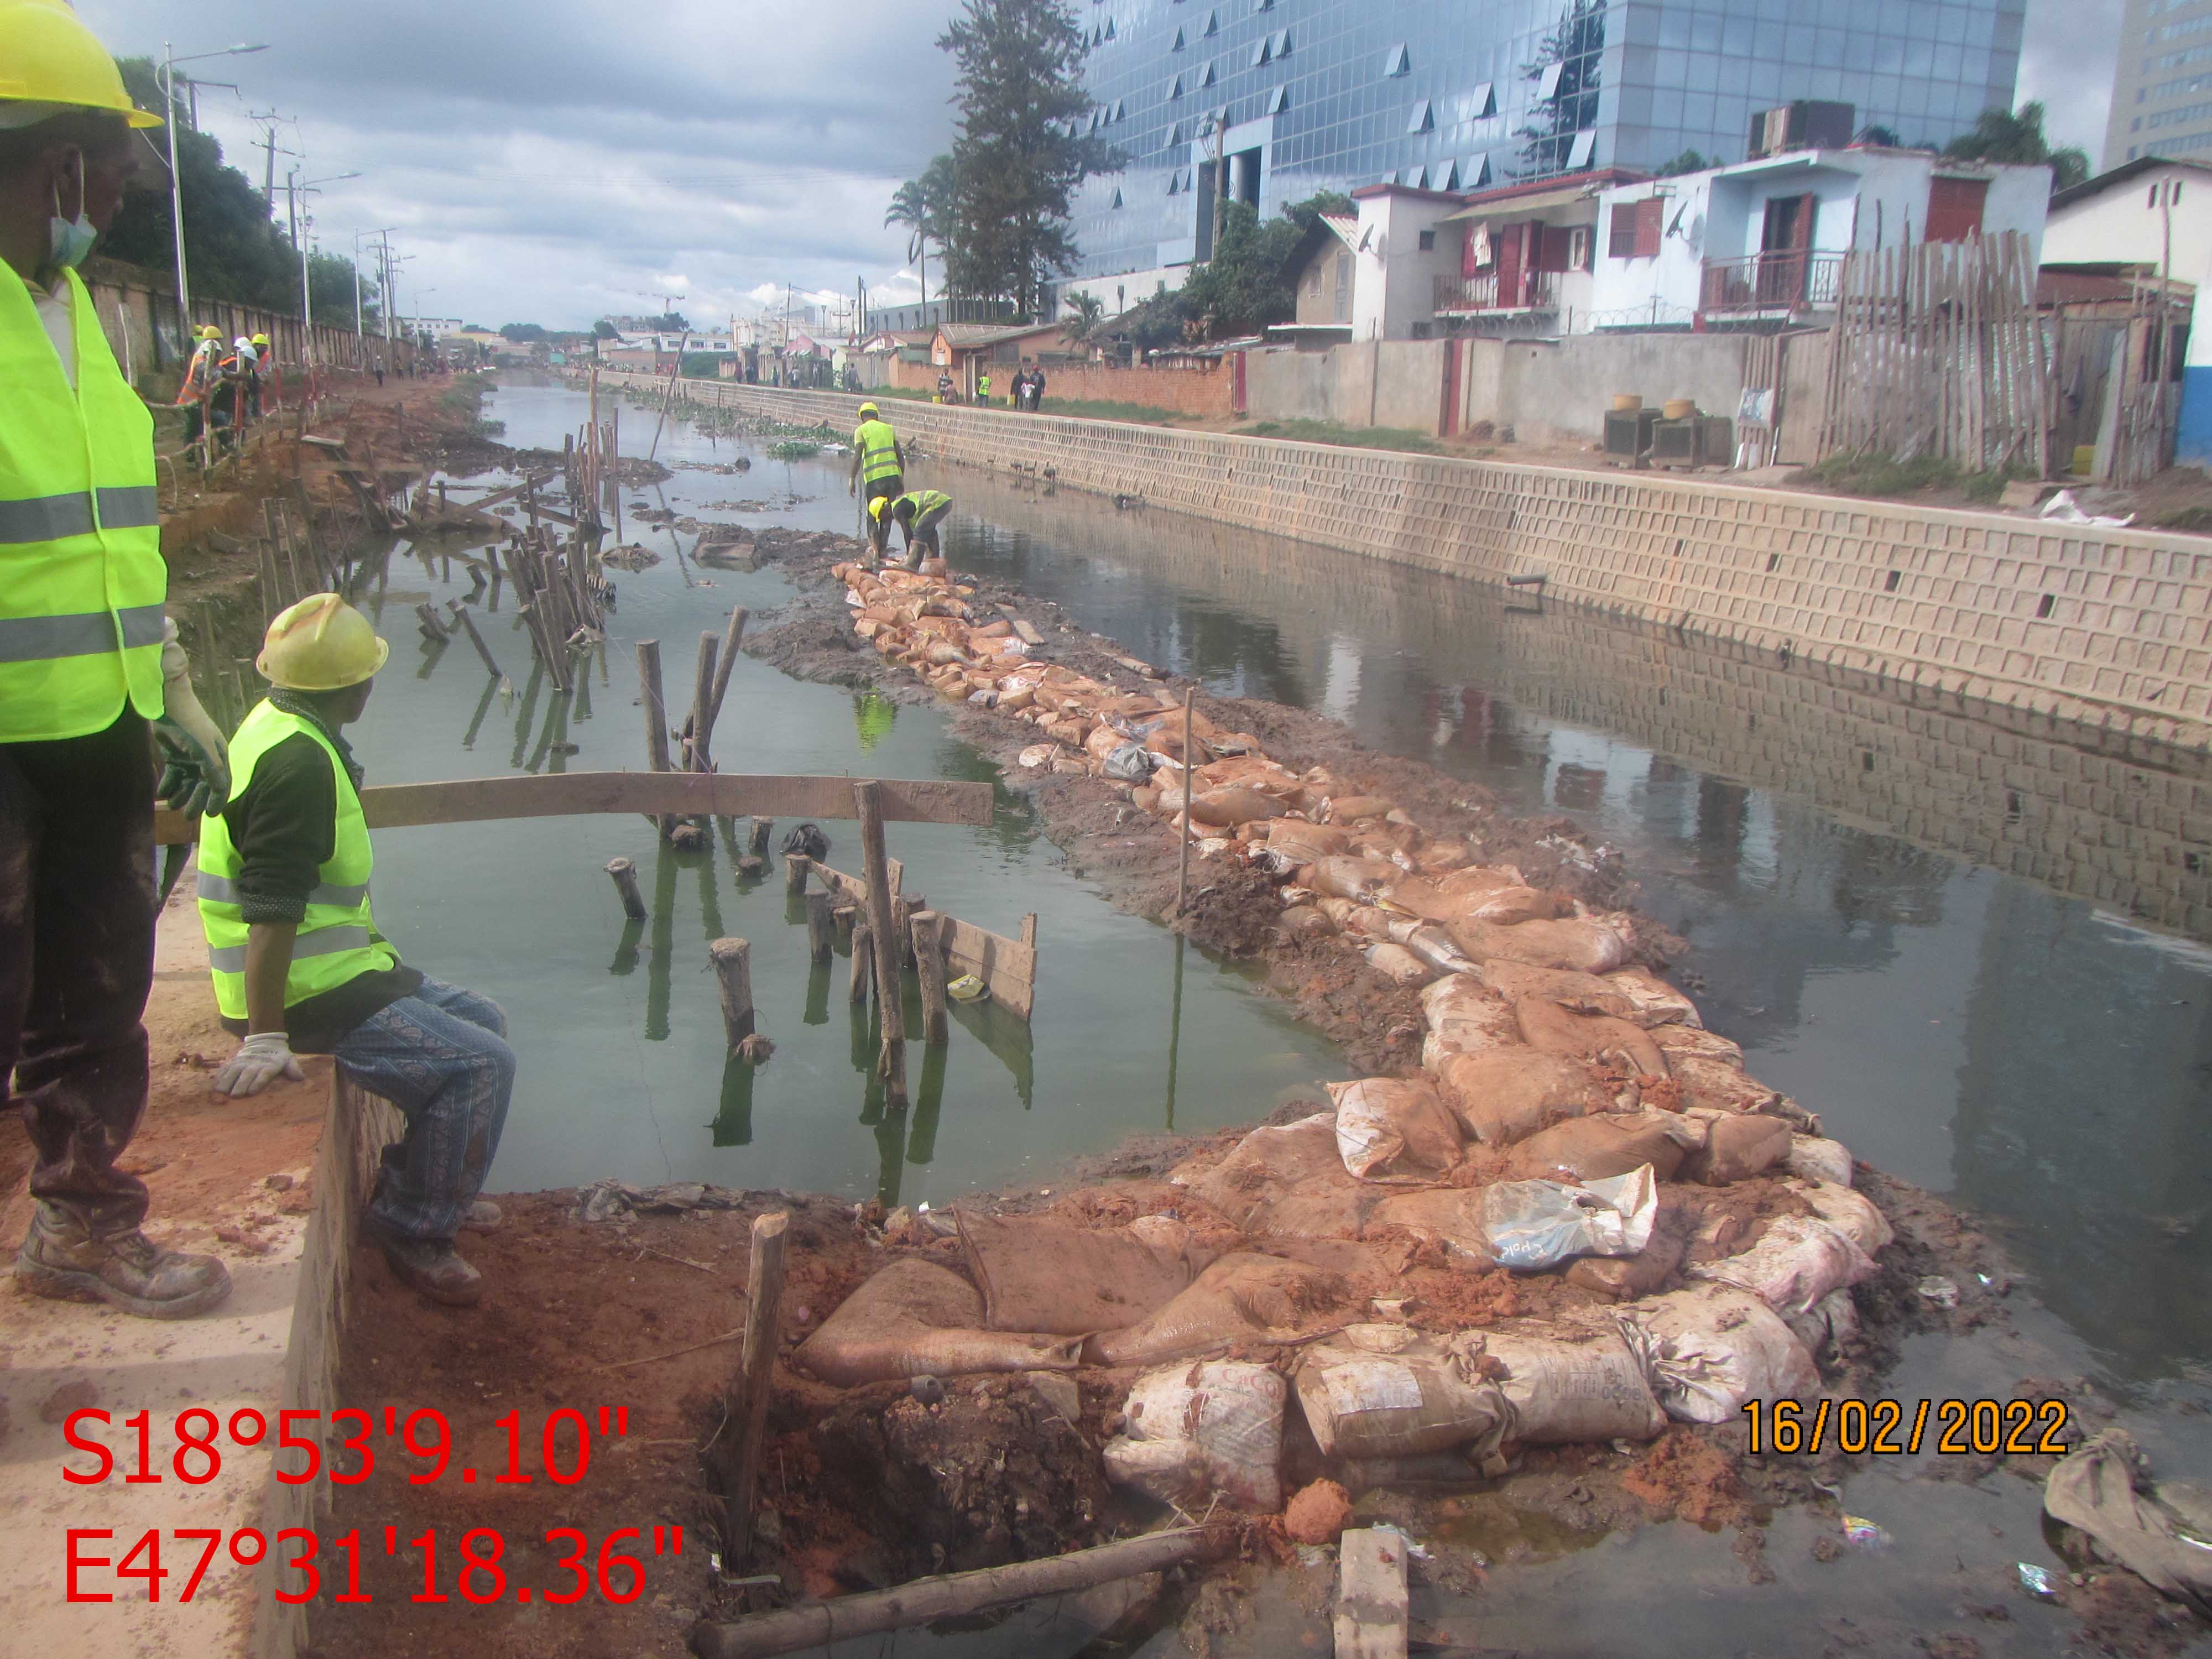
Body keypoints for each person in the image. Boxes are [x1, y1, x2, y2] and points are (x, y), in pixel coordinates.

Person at [3, 3, 237, 1319]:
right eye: (103, 166)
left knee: (98, 986)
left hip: (92, 713)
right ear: (52, 162)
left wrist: (173, 683)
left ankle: (81, 1222)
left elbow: (108, 532)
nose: (113, 195)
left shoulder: (75, 311)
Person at [197, 595, 516, 1307]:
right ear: (355, 688)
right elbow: (272, 910)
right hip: (308, 993)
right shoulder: (299, 766)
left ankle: (428, 1185)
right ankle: (414, 1229)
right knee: (479, 1064)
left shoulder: (276, 724)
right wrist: (265, 1033)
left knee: (485, 1019)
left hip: (342, 970)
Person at [846, 400, 905, 564]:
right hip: (892, 478)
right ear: (876, 416)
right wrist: (901, 478)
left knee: (872, 515)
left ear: (862, 417)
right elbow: (900, 456)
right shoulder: (888, 429)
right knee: (887, 515)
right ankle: (884, 551)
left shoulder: (861, 431)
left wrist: (852, 479)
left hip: (874, 480)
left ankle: (875, 551)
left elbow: (857, 457)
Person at [878, 487, 952, 570]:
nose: (884, 520)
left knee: (919, 532)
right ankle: (934, 562)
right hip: (944, 502)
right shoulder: (901, 506)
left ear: (885, 510)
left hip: (937, 503)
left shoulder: (897, 510)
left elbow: (907, 533)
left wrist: (909, 556)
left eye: (881, 517)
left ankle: (913, 565)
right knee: (928, 531)